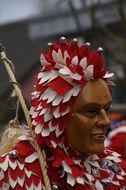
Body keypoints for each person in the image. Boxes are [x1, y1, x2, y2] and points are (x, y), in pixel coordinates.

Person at [0, 37, 126, 190]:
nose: (105, 121)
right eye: (92, 111)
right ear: (57, 117)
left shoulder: (115, 167)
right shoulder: (14, 171)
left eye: (106, 109)